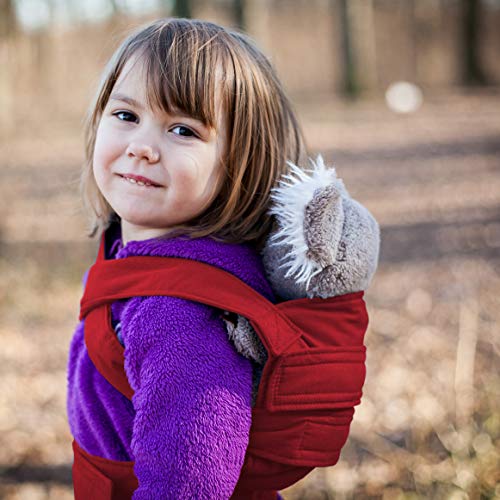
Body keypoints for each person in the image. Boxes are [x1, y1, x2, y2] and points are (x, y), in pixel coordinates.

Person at [67, 17, 378, 500]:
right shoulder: (132, 255)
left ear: (237, 164)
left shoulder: (176, 314)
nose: (143, 147)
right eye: (126, 116)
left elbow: (191, 484)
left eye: (183, 130)